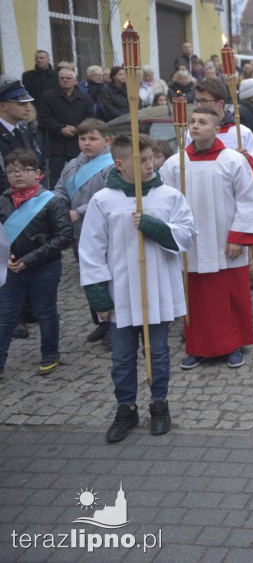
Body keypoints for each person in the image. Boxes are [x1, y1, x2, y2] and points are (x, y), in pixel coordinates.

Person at [79, 134, 195, 442]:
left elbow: (186, 234)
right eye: (141, 160)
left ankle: (159, 403)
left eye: (151, 158)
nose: (150, 164)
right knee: (122, 356)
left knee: (157, 352)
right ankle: (126, 407)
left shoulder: (168, 196)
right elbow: (90, 249)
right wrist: (98, 294)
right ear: (120, 164)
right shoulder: (103, 200)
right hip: (121, 293)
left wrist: (154, 226)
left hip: (158, 289)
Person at [161, 107, 253, 370]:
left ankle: (233, 345)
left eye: (202, 122)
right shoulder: (175, 163)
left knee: (230, 295)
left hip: (225, 240)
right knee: (195, 297)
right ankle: (197, 347)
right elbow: (165, 203)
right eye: (192, 121)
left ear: (216, 129)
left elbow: (248, 199)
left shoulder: (233, 160)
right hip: (191, 244)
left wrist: (238, 237)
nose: (195, 126)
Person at [0, 149, 73, 377]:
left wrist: (28, 260)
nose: (17, 174)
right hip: (11, 269)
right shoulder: (3, 200)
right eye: (12, 171)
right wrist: (8, 258)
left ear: (38, 173)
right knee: (6, 315)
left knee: (45, 312)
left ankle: (50, 354)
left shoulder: (52, 202)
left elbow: (63, 237)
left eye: (24, 170)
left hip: (44, 267)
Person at [53, 119, 115, 341]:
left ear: (106, 141)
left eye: (93, 139)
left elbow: (111, 196)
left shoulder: (112, 165)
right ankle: (99, 321)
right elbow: (60, 190)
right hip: (79, 233)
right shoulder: (71, 165)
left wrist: (78, 211)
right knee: (89, 278)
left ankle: (113, 325)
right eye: (82, 138)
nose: (86, 143)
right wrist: (59, 210)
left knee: (107, 279)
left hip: (105, 233)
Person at [184, 78, 253, 179]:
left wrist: (247, 160)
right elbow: (181, 167)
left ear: (220, 103)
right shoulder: (192, 133)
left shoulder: (242, 133)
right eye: (197, 100)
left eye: (204, 101)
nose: (198, 105)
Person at [37, 67, 92, 187]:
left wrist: (77, 129)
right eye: (62, 78)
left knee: (80, 172)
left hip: (77, 141)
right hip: (56, 141)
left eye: (68, 78)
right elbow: (44, 117)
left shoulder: (85, 98)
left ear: (75, 80)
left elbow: (89, 117)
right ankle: (55, 200)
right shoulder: (48, 96)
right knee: (55, 175)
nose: (65, 80)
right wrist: (60, 129)